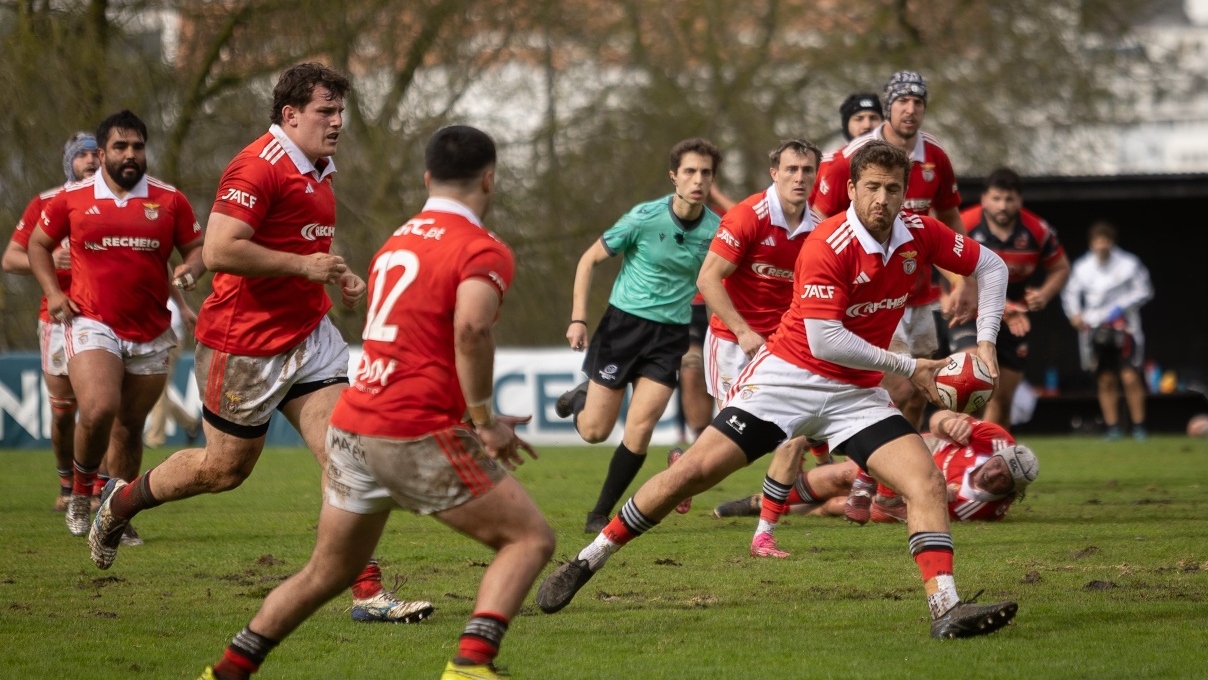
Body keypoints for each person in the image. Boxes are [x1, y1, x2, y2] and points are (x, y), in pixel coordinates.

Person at [537, 141, 1019, 640]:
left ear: (904, 193)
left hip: (855, 395)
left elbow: (993, 267)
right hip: (786, 378)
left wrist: (986, 343)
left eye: (893, 189)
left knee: (927, 483)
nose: (882, 199)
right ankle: (589, 558)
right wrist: (909, 365)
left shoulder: (919, 232)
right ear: (851, 189)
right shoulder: (827, 242)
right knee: (691, 474)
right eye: (872, 187)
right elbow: (825, 340)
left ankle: (946, 607)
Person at [196, 125, 554, 680]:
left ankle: (226, 671)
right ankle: (471, 665)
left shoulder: (398, 242)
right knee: (529, 539)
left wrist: (463, 411)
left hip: (353, 427)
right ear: (489, 179)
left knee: (328, 572)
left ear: (427, 178)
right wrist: (483, 419)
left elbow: (410, 349)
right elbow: (471, 330)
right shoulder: (482, 249)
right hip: (409, 434)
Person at [86, 63, 432, 623]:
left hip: (310, 337)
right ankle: (121, 501)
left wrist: (337, 274)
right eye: (325, 111)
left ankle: (367, 594)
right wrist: (303, 266)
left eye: (341, 111)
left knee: (349, 454)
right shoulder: (257, 166)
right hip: (244, 345)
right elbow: (220, 249)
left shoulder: (319, 167)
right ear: (290, 115)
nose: (337, 121)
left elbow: (302, 241)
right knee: (223, 470)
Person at [27, 111, 206, 544]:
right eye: (120, 147)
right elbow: (37, 244)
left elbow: (198, 247)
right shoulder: (71, 198)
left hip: (151, 329)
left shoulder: (169, 200)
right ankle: (80, 491)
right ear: (103, 152)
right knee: (99, 408)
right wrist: (53, 292)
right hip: (91, 320)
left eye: (138, 147)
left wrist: (191, 268)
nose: (130, 155)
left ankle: (115, 515)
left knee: (129, 425)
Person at [811, 70, 975, 525]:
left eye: (918, 102)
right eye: (903, 101)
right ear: (888, 106)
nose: (911, 109)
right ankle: (863, 476)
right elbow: (817, 224)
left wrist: (963, 279)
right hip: (870, 295)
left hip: (918, 295)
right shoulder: (849, 159)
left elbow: (949, 218)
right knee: (895, 384)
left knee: (919, 390)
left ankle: (879, 491)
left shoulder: (935, 157)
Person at [553, 138, 723, 534]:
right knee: (595, 432)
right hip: (622, 329)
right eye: (690, 172)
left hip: (670, 337)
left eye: (706, 173)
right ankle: (581, 398)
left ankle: (600, 514)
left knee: (641, 428)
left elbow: (722, 281)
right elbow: (588, 260)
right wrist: (578, 319)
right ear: (674, 176)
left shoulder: (717, 230)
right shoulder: (644, 218)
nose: (698, 180)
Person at [695, 138, 822, 558]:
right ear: (774, 173)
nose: (799, 177)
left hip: (785, 347)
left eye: (807, 170)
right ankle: (686, 468)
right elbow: (707, 279)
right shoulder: (747, 216)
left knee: (792, 436)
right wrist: (745, 332)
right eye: (791, 169)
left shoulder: (820, 228)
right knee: (733, 448)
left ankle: (764, 534)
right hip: (733, 342)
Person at [714, 410, 1039, 524]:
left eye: (1003, 480)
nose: (992, 473)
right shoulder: (996, 440)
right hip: (922, 452)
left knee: (838, 505)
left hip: (910, 498)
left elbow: (918, 510)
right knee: (846, 474)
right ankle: (761, 502)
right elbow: (937, 418)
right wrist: (948, 423)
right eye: (997, 465)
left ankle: (789, 510)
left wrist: (937, 496)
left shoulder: (980, 510)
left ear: (1010, 493)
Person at [3, 132, 99, 512]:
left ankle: (96, 488)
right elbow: (11, 258)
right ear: (68, 162)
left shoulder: (117, 201)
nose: (90, 160)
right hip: (59, 319)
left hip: (103, 316)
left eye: (95, 153)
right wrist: (48, 258)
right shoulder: (46, 202)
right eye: (81, 155)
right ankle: (66, 483)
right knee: (63, 413)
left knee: (101, 407)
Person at [951, 167, 1070, 431]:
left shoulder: (1038, 230)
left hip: (1015, 321)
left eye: (1009, 199)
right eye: (996, 198)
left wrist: (1045, 293)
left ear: (1020, 200)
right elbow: (949, 269)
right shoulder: (965, 224)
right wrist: (1002, 306)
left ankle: (990, 453)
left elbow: (1061, 267)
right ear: (984, 199)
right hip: (971, 312)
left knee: (1002, 400)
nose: (1002, 206)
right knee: (971, 385)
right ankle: (958, 451)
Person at [1060, 221, 1153, 440]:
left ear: (1112, 242)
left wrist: (1122, 306)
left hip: (1124, 328)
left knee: (1130, 377)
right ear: (1092, 243)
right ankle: (1113, 428)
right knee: (1105, 379)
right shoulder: (1082, 267)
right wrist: (1075, 314)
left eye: (1105, 240)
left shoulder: (1129, 263)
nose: (1102, 245)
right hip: (1095, 329)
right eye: (1098, 241)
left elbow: (1145, 290)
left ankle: (1139, 426)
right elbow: (1070, 293)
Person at [144, 296, 203, 448]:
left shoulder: (168, 299)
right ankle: (191, 423)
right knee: (155, 391)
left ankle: (155, 438)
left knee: (159, 391)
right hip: (158, 345)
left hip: (168, 345)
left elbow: (171, 325)